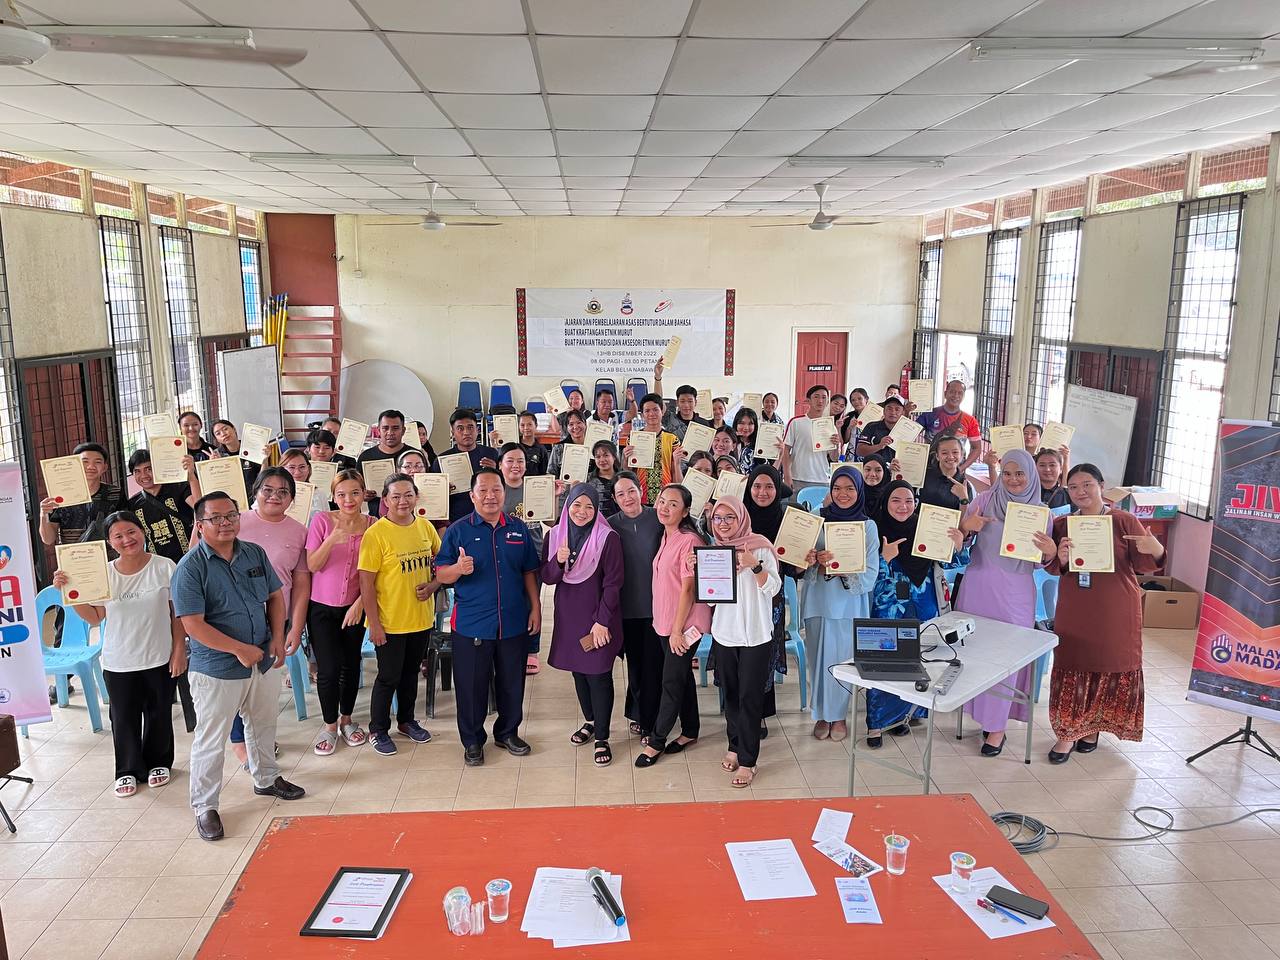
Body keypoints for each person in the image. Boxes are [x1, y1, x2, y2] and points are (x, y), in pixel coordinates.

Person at [172, 492, 305, 842]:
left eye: (231, 515)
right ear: (199, 525)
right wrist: (238, 649)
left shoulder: (253, 553)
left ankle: (266, 778)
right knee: (211, 738)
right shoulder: (190, 568)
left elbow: (275, 597)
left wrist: (277, 637)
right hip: (216, 667)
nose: (225, 523)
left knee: (263, 723)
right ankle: (205, 806)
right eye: (215, 518)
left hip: (261, 657)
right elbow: (192, 624)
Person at [1032, 463, 1164, 763]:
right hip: (1076, 608)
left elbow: (1146, 565)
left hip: (1116, 609)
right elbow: (1053, 568)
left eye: (1087, 484)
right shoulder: (1062, 524)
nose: (1081, 491)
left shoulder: (1124, 521)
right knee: (1073, 662)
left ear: (1101, 486)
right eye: (1074, 487)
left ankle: (1092, 729)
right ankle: (1067, 734)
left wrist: (1154, 547)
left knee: (1108, 665)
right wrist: (1057, 556)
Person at [54, 512, 184, 798]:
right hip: (119, 659)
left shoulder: (165, 566)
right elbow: (95, 617)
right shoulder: (105, 573)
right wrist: (70, 593)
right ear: (110, 542)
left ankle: (159, 762)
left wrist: (179, 650)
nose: (127, 539)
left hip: (159, 656)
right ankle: (127, 769)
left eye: (131, 531)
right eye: (118, 536)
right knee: (123, 718)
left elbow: (177, 614)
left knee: (159, 713)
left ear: (142, 531)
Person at [435, 469, 541, 766]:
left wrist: (536, 607)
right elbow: (441, 573)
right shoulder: (458, 531)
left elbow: (529, 571)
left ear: (505, 494)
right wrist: (458, 569)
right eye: (483, 490)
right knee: (471, 686)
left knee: (512, 683)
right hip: (472, 623)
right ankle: (472, 741)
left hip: (513, 621)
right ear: (472, 496)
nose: (490, 496)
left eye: (496, 490)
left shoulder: (518, 528)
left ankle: (507, 733)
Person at [953, 449, 1049, 756]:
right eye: (1006, 473)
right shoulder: (984, 501)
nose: (1012, 479)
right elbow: (958, 542)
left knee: (1007, 657)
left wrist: (1048, 552)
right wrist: (968, 527)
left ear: (1030, 475)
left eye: (1019, 473)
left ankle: (996, 728)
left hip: (1015, 594)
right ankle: (977, 713)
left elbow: (1042, 562)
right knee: (976, 653)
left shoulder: (1041, 513)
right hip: (978, 586)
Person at [866, 481, 965, 748]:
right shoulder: (874, 531)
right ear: (885, 502)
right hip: (889, 607)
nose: (903, 506)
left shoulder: (925, 528)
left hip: (924, 603)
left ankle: (905, 715)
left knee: (918, 659)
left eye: (909, 501)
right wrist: (885, 559)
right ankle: (876, 723)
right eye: (896, 500)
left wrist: (958, 546)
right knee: (885, 660)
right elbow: (866, 578)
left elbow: (950, 563)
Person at [229, 467, 310, 766]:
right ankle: (239, 740)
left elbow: (301, 583)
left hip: (276, 619)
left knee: (264, 686)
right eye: (268, 490)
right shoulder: (236, 522)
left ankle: (260, 738)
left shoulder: (299, 531)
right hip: (234, 617)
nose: (275, 496)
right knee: (236, 682)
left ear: (292, 498)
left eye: (283, 492)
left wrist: (296, 627)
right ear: (256, 492)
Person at [357, 474, 441, 756]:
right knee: (388, 677)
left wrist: (433, 585)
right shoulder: (376, 534)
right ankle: (378, 730)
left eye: (408, 495)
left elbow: (441, 563)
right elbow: (366, 583)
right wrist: (374, 624)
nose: (403, 501)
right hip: (389, 622)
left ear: (416, 497)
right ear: (385, 500)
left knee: (410, 673)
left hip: (420, 618)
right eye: (396, 496)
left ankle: (406, 721)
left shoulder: (425, 527)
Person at [701, 497, 780, 788]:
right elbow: (710, 600)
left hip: (756, 636)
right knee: (731, 695)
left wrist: (755, 566)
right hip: (725, 633)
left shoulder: (760, 547)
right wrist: (701, 572)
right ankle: (734, 746)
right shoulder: (713, 552)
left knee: (750, 697)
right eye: (717, 518)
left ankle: (748, 761)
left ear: (741, 518)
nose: (723, 524)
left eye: (729, 517)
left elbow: (774, 588)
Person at [543, 484, 624, 766]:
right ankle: (590, 721)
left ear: (596, 509)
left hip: (599, 618)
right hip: (569, 616)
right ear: (568, 506)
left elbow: (613, 583)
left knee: (599, 674)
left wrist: (602, 621)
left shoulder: (607, 538)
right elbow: (548, 577)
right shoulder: (555, 535)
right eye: (577, 505)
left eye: (589, 506)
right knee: (578, 672)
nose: (582, 511)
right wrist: (558, 561)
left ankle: (602, 737)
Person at [634, 485, 711, 768]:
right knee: (681, 676)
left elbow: (688, 590)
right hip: (665, 622)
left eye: (673, 504)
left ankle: (657, 741)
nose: (665, 507)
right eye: (662, 501)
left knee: (671, 681)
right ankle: (690, 729)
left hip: (684, 625)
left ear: (686, 511)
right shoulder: (666, 536)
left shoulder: (689, 541)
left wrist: (678, 630)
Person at [801, 467, 880, 741]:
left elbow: (871, 573)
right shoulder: (816, 519)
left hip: (849, 604)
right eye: (837, 488)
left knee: (842, 661)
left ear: (859, 491)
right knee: (817, 660)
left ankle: (838, 716)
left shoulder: (867, 527)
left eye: (849, 488)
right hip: (818, 600)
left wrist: (841, 568)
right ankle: (821, 714)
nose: (842, 494)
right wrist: (813, 562)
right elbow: (800, 564)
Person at [306, 469, 374, 756]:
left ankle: (347, 720)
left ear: (364, 494)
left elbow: (376, 571)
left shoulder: (373, 524)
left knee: (350, 665)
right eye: (342, 494)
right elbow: (312, 565)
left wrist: (360, 604)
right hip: (321, 608)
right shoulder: (322, 521)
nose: (349, 499)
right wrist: (332, 539)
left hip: (355, 607)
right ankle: (330, 725)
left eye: (355, 493)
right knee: (328, 669)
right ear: (333, 496)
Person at [609, 472, 663, 743]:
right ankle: (638, 713)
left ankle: (650, 721)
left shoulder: (657, 517)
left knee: (653, 665)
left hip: (657, 606)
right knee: (636, 664)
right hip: (627, 607)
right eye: (620, 494)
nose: (627, 498)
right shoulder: (610, 525)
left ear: (640, 490)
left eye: (631, 491)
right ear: (614, 499)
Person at [742, 463, 793, 739]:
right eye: (757, 486)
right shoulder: (738, 519)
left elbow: (794, 568)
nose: (762, 492)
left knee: (763, 656)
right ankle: (737, 711)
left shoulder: (786, 522)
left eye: (770, 486)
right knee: (738, 653)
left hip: (770, 597)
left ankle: (760, 713)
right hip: (739, 598)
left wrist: (804, 560)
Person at [498, 443, 546, 676]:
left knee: (531, 602)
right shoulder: (497, 491)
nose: (516, 465)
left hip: (534, 554)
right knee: (508, 601)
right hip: (505, 556)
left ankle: (531, 650)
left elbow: (552, 521)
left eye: (520, 461)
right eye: (510, 461)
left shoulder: (535, 487)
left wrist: (553, 497)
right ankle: (511, 646)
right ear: (500, 465)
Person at [39, 442, 127, 547]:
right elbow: (48, 540)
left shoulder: (115, 493)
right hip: (73, 555)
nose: (91, 466)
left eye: (97, 462)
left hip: (109, 555)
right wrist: (43, 515)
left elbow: (126, 527)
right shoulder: (60, 496)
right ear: (74, 465)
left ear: (105, 467)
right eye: (85, 461)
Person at [127, 447, 199, 564]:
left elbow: (200, 507)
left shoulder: (178, 488)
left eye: (148, 469)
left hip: (191, 559)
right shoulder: (132, 504)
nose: (144, 475)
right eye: (137, 471)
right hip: (158, 566)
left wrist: (191, 475)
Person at [434, 407, 499, 523]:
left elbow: (504, 486)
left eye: (470, 427)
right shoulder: (441, 460)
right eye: (460, 428)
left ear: (477, 430)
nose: (466, 432)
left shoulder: (491, 454)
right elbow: (435, 496)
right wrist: (442, 489)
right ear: (453, 432)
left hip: (487, 517)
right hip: (455, 519)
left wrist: (496, 471)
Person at [623, 393, 684, 506]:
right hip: (641, 496)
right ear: (642, 414)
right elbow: (628, 472)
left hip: (665, 497)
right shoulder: (634, 438)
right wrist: (626, 458)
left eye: (655, 410)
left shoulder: (672, 439)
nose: (651, 414)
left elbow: (675, 470)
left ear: (662, 411)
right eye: (647, 411)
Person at [781, 384, 841, 496]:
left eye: (824, 397)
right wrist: (787, 476)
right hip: (798, 478)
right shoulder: (796, 422)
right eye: (816, 397)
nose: (820, 401)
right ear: (808, 400)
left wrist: (836, 445)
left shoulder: (830, 426)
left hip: (822, 479)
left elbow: (834, 458)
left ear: (827, 402)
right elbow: (785, 450)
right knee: (795, 507)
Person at [916, 380, 982, 474]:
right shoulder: (929, 414)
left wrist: (961, 468)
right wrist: (907, 412)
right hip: (930, 470)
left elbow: (977, 448)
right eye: (952, 392)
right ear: (945, 394)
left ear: (963, 396)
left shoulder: (970, 420)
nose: (956, 396)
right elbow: (909, 434)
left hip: (956, 473)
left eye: (960, 393)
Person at [357, 409, 410, 503]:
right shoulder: (366, 457)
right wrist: (362, 494)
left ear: (403, 430)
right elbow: (356, 488)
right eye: (385, 428)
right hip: (376, 511)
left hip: (408, 510)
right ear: (378, 430)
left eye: (395, 428)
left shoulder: (413, 455)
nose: (390, 432)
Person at [919, 436, 974, 511]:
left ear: (961, 455)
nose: (950, 457)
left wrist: (963, 498)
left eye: (955, 452)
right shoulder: (923, 475)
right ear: (937, 456)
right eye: (944, 453)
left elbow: (968, 516)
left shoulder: (965, 486)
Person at [210, 420, 263, 493]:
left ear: (234, 429)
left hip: (255, 493)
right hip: (231, 495)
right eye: (218, 433)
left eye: (225, 429)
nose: (223, 434)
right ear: (217, 439)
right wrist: (215, 465)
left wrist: (264, 459)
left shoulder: (251, 448)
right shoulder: (216, 455)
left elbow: (263, 476)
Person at [855, 395, 905, 461]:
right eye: (889, 408)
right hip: (874, 467)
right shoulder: (871, 426)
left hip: (897, 467)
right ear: (884, 411)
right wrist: (879, 446)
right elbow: (859, 451)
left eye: (897, 409)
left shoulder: (908, 431)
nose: (893, 412)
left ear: (902, 412)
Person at [548, 408, 587, 480]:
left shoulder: (593, 446)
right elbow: (551, 473)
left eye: (579, 422)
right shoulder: (558, 448)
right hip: (565, 486)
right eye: (571, 424)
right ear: (567, 428)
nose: (575, 427)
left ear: (585, 424)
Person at [588, 440, 622, 518]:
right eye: (598, 457)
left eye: (606, 455)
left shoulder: (623, 478)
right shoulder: (588, 479)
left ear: (614, 456)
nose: (602, 460)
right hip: (597, 522)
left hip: (620, 522)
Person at [517, 410, 550, 476]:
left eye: (529, 424)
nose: (526, 428)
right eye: (522, 425)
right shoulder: (514, 446)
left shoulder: (542, 450)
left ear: (536, 425)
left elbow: (543, 473)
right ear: (519, 427)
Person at [860, 454, 890, 519]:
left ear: (884, 472)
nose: (872, 474)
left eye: (878, 470)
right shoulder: (854, 495)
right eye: (868, 469)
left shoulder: (889, 496)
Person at [732, 407, 759, 473]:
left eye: (750, 424)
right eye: (742, 423)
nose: (746, 427)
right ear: (736, 424)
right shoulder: (730, 442)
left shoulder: (759, 445)